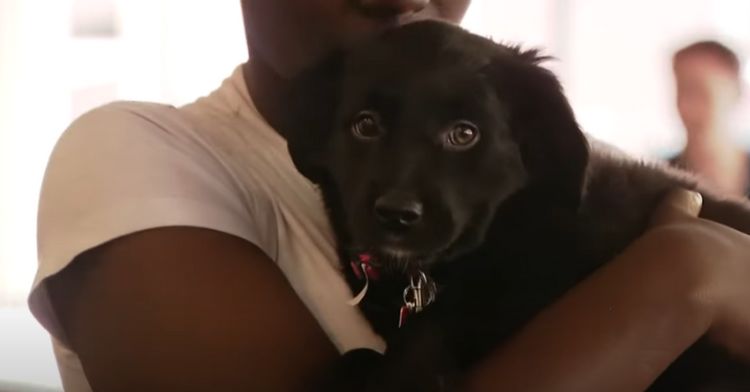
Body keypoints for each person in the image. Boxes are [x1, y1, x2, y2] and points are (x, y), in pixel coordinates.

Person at [29, 1, 750, 391]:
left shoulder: (569, 167)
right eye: (367, 126)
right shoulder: (141, 155)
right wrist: (682, 279)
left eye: (462, 134)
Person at [669, 40, 749, 196]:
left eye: (700, 92)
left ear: (737, 93)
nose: (686, 107)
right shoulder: (658, 184)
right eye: (681, 91)